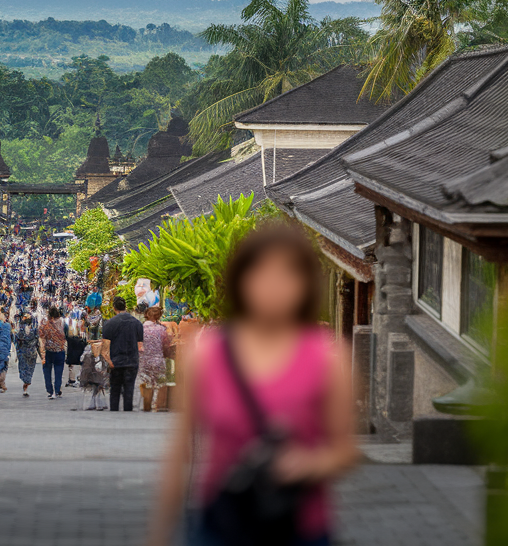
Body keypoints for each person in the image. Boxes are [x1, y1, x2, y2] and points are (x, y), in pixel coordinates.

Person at [148, 222, 358, 546]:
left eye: (287, 275)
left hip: (300, 526)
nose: (273, 287)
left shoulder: (326, 359)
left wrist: (307, 464)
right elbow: (180, 450)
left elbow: (344, 450)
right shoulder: (208, 355)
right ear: (240, 280)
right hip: (222, 521)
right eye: (261, 274)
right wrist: (159, 533)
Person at [102, 296, 144, 411]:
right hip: (131, 361)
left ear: (114, 308)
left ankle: (114, 411)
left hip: (116, 362)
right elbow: (140, 347)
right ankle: (127, 412)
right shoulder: (137, 323)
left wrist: (109, 361)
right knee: (129, 390)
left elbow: (104, 348)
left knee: (114, 390)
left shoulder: (109, 324)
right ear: (125, 306)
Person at [139, 305, 172, 412]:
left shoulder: (140, 329)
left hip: (144, 360)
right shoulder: (162, 329)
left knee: (145, 382)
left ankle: (145, 403)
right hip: (158, 360)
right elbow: (166, 346)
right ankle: (155, 404)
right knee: (157, 384)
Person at [38, 306, 67, 399]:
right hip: (60, 350)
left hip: (48, 350)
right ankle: (57, 389)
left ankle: (50, 390)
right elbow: (67, 334)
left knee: (47, 371)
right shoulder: (63, 322)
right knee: (59, 371)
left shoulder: (44, 322)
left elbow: (40, 334)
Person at [78, 339, 111, 411]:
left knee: (96, 389)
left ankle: (96, 404)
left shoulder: (98, 357)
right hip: (91, 377)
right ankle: (94, 404)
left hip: (96, 377)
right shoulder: (89, 356)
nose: (96, 349)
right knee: (93, 389)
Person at [14, 313, 40, 397]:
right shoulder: (30, 329)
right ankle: (26, 382)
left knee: (26, 369)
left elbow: (17, 341)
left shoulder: (27, 330)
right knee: (26, 369)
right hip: (27, 352)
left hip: (26, 352)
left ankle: (26, 383)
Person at [65, 313, 87, 389]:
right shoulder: (83, 324)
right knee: (80, 362)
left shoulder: (75, 323)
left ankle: (72, 379)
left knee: (72, 363)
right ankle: (78, 378)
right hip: (79, 344)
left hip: (74, 344)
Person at [0, 309, 13, 391]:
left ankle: (0, 382)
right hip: (5, 348)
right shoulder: (7, 325)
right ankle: (1, 382)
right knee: (3, 365)